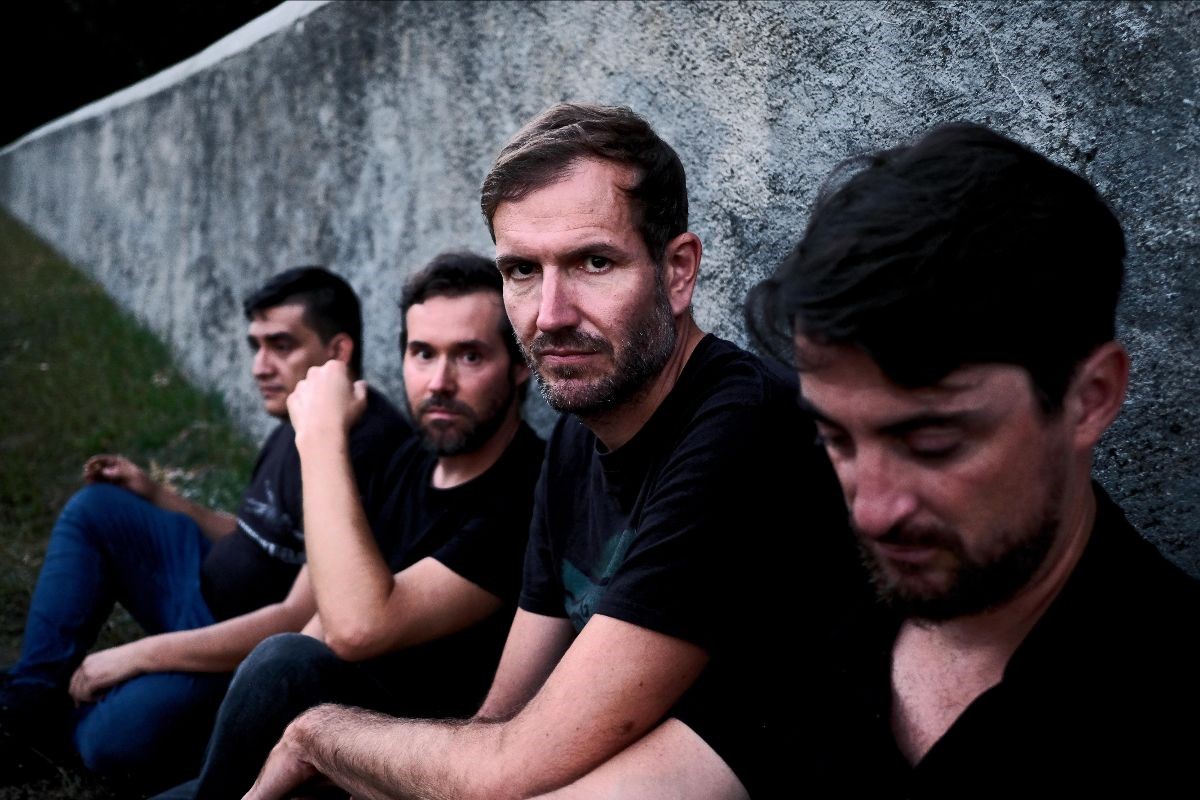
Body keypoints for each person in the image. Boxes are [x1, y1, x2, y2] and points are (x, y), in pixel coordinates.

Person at [243, 104, 851, 800]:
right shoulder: (576, 436)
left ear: (678, 272)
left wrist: (317, 737)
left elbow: (506, 766)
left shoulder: (741, 426)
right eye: (522, 270)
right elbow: (502, 718)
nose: (551, 315)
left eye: (594, 262)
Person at [745, 122, 1200, 793]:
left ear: (1090, 399)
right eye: (835, 438)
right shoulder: (817, 589)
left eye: (933, 444)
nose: (872, 511)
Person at [0, 267, 408, 792]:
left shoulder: (362, 447)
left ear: (338, 350)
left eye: (281, 345)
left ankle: (66, 713)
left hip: (240, 650)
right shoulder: (300, 411)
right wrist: (157, 495)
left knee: (110, 743)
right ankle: (27, 704)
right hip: (197, 585)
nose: (260, 366)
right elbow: (255, 533)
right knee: (96, 508)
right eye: (256, 346)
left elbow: (295, 618)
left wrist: (134, 656)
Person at [157, 251, 545, 800]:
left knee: (282, 663)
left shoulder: (527, 493)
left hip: (414, 758)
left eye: (470, 356)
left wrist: (320, 434)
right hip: (317, 733)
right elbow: (318, 623)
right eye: (422, 353)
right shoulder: (404, 462)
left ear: (521, 363)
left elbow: (359, 629)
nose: (439, 382)